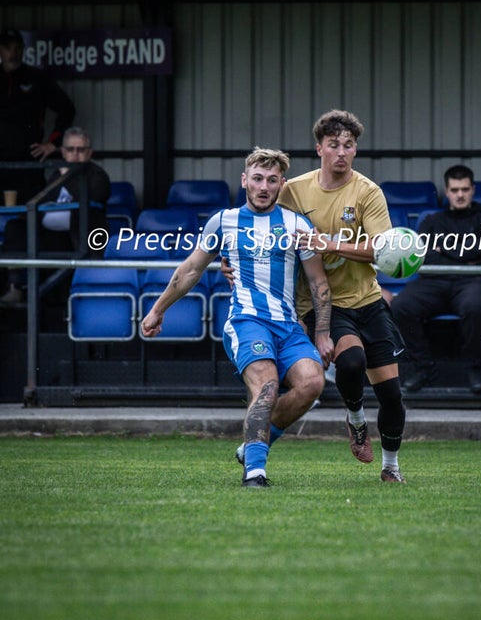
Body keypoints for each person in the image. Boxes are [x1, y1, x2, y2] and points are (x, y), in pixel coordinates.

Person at [141, 147, 334, 488]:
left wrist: (322, 332)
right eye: (257, 178)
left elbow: (319, 281)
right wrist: (158, 309)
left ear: (281, 185)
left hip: (288, 326)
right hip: (246, 321)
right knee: (268, 386)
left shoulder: (297, 224)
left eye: (272, 180)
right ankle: (255, 473)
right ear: (244, 180)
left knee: (312, 382)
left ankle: (253, 444)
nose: (263, 186)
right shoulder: (224, 221)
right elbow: (190, 270)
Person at [277, 109, 407, 483]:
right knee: (350, 363)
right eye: (333, 145)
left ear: (355, 151)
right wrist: (232, 263)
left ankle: (391, 467)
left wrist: (329, 243)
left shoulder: (368, 192)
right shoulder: (294, 191)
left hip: (367, 300)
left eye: (348, 145)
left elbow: (382, 251)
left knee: (392, 396)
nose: (341, 152)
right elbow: (267, 233)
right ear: (319, 148)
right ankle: (355, 418)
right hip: (323, 304)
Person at [389, 164, 481, 395]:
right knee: (401, 305)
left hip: (474, 281)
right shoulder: (432, 221)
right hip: (436, 282)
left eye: (465, 189)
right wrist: (465, 256)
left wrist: (444, 252)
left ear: (473, 190)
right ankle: (424, 368)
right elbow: (424, 255)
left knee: (474, 306)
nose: (460, 194)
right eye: (455, 189)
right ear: (447, 191)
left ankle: (475, 368)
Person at [0, 126, 110, 303]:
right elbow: (42, 202)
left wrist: (70, 176)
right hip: (47, 234)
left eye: (81, 149)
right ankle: (15, 286)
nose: (75, 154)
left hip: (76, 238)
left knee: (52, 246)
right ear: (63, 152)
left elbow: (91, 199)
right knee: (14, 228)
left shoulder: (98, 176)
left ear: (89, 153)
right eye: (70, 149)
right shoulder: (56, 174)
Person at [0, 28, 76, 202]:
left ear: (23, 50)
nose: (13, 53)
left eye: (17, 48)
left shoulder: (37, 78)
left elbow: (67, 109)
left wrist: (53, 143)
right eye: (7, 47)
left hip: (29, 163)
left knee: (31, 215)